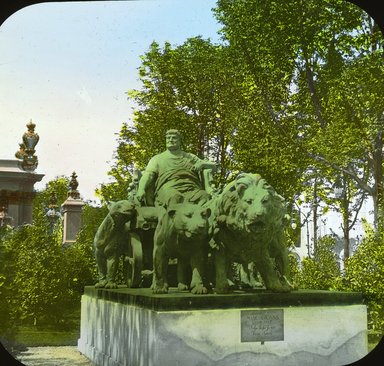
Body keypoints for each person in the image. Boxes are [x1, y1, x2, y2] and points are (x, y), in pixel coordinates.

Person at [135, 129, 217, 207]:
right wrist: (141, 189)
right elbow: (148, 175)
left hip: (192, 189)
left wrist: (202, 164)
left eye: (174, 138)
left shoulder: (190, 157)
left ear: (180, 141)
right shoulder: (157, 159)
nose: (170, 140)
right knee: (175, 198)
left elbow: (214, 167)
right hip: (169, 190)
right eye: (168, 138)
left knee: (204, 196)